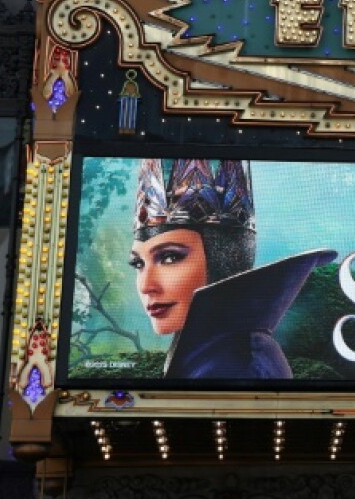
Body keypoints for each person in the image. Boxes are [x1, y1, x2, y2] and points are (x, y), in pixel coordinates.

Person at [131, 158, 335, 379]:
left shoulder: (241, 365)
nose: (145, 286)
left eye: (169, 257)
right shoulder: (209, 352)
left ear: (229, 259)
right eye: (138, 263)